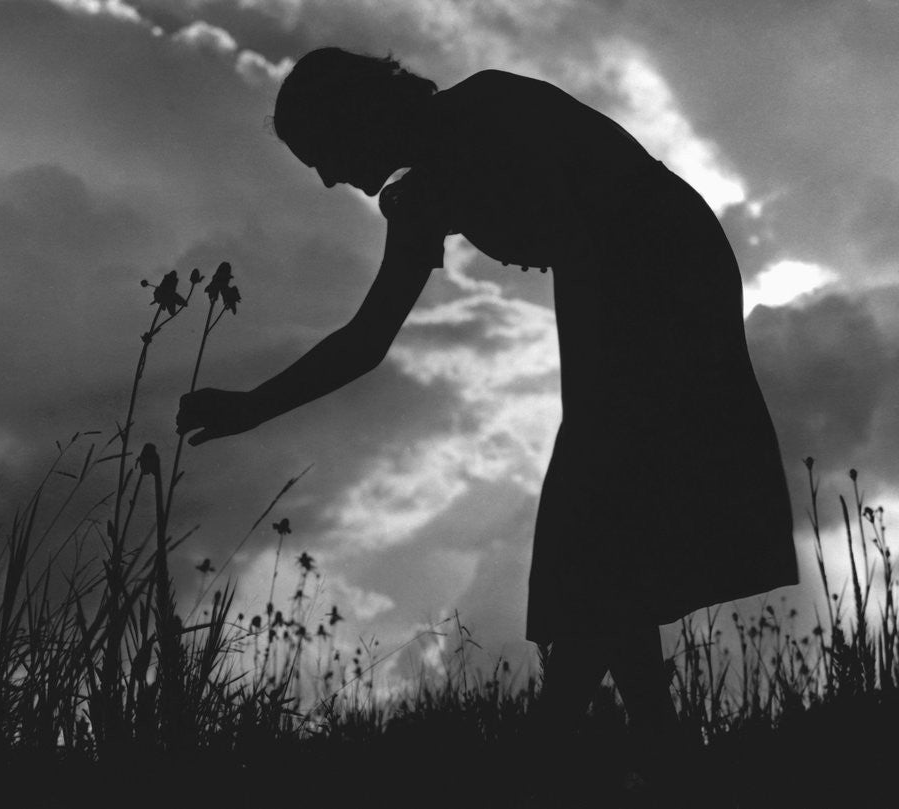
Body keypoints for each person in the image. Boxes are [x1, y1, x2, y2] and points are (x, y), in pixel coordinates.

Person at [176, 46, 798, 778]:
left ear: (356, 116)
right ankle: (657, 752)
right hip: (618, 287)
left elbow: (591, 229)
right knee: (608, 532)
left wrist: (593, 403)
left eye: (322, 152)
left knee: (598, 518)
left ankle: (544, 758)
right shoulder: (424, 193)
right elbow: (368, 338)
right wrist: (254, 406)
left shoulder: (490, 112)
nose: (325, 176)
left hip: (663, 265)